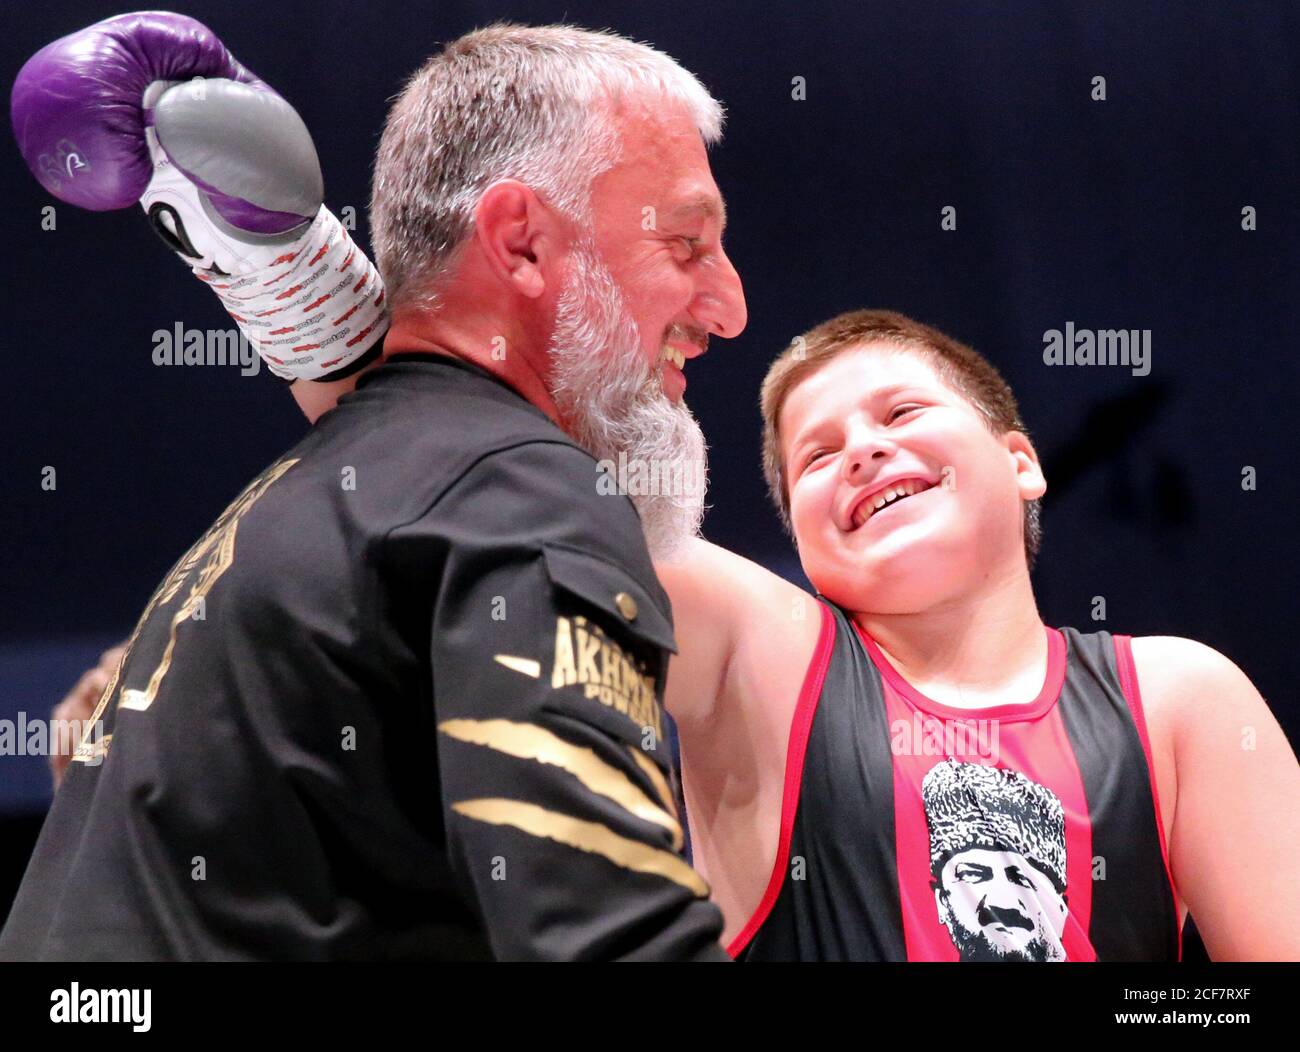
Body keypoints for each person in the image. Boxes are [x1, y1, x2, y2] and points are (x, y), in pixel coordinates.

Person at [3, 13, 744, 961]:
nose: (731, 304)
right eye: (686, 243)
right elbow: (606, 934)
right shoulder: (519, 488)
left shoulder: (318, 496)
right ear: (520, 244)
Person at [657, 309, 1300, 960]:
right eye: (818, 455)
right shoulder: (764, 658)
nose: (861, 451)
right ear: (804, 541)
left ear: (1020, 462)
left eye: (902, 413)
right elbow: (573, 507)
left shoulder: (1178, 698)